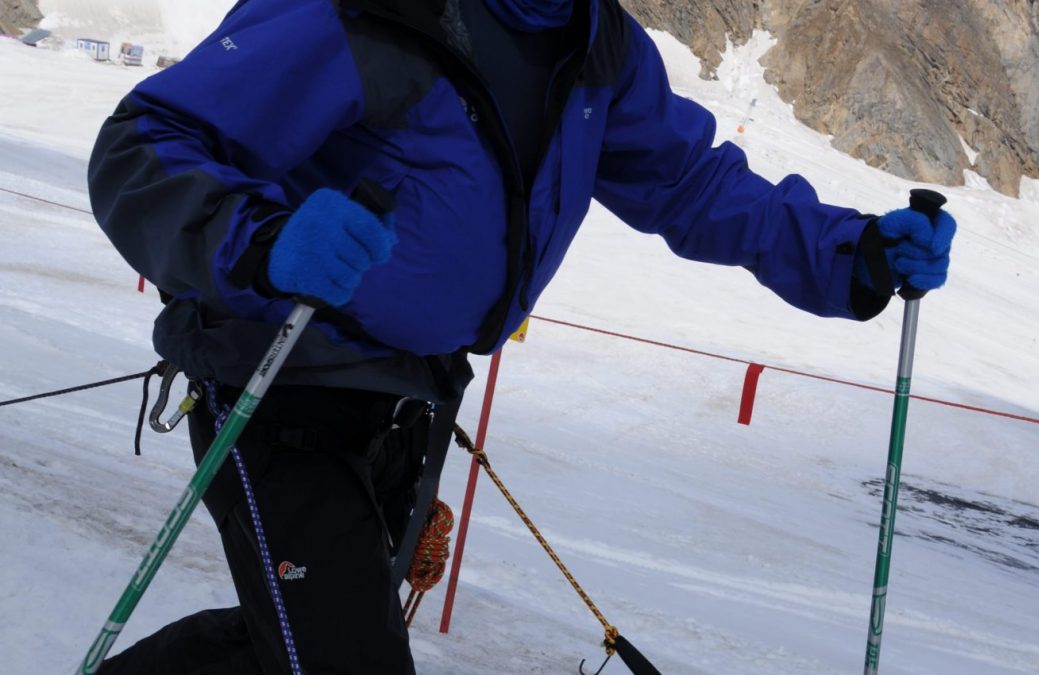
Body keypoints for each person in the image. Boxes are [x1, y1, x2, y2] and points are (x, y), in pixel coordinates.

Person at [87, 0, 955, 672]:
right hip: (276, 385)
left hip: (405, 409)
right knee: (344, 656)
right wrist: (266, 242)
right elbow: (143, 147)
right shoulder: (362, 12)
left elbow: (693, 186)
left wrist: (856, 255)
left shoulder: (596, 47)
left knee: (308, 641)